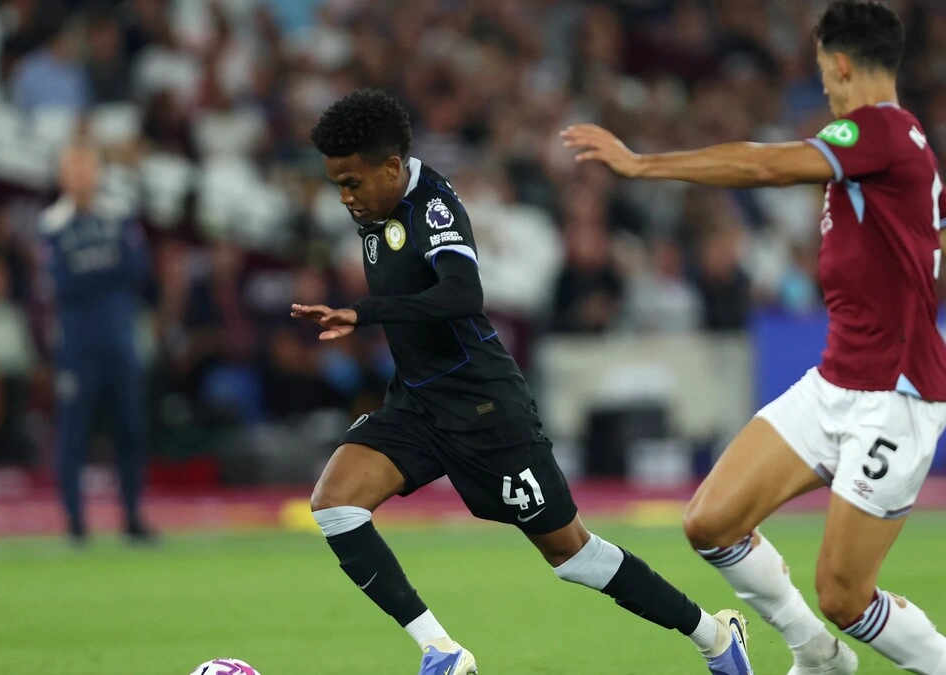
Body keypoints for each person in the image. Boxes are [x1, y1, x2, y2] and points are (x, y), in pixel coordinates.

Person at [561, 2, 946, 674]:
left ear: (842, 64)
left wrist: (643, 165)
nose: (823, 84)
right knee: (711, 521)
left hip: (897, 396)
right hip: (838, 380)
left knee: (845, 597)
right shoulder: (909, 147)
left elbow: (767, 167)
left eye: (824, 69)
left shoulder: (876, 131)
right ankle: (817, 654)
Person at [291, 89, 753, 675]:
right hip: (418, 403)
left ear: (390, 167)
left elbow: (464, 294)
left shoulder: (432, 207)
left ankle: (715, 637)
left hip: (484, 409)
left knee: (571, 554)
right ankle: (442, 651)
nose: (345, 197)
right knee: (335, 503)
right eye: (337, 184)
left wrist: (365, 313)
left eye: (352, 182)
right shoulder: (375, 208)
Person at [41, 144, 154, 545]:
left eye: (87, 168)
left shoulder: (119, 214)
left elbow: (136, 269)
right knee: (74, 431)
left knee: (131, 428)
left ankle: (133, 515)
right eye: (74, 168)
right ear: (62, 176)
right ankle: (74, 520)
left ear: (98, 173)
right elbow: (62, 283)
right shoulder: (51, 224)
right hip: (76, 344)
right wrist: (105, 272)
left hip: (120, 339)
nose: (81, 176)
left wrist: (89, 273)